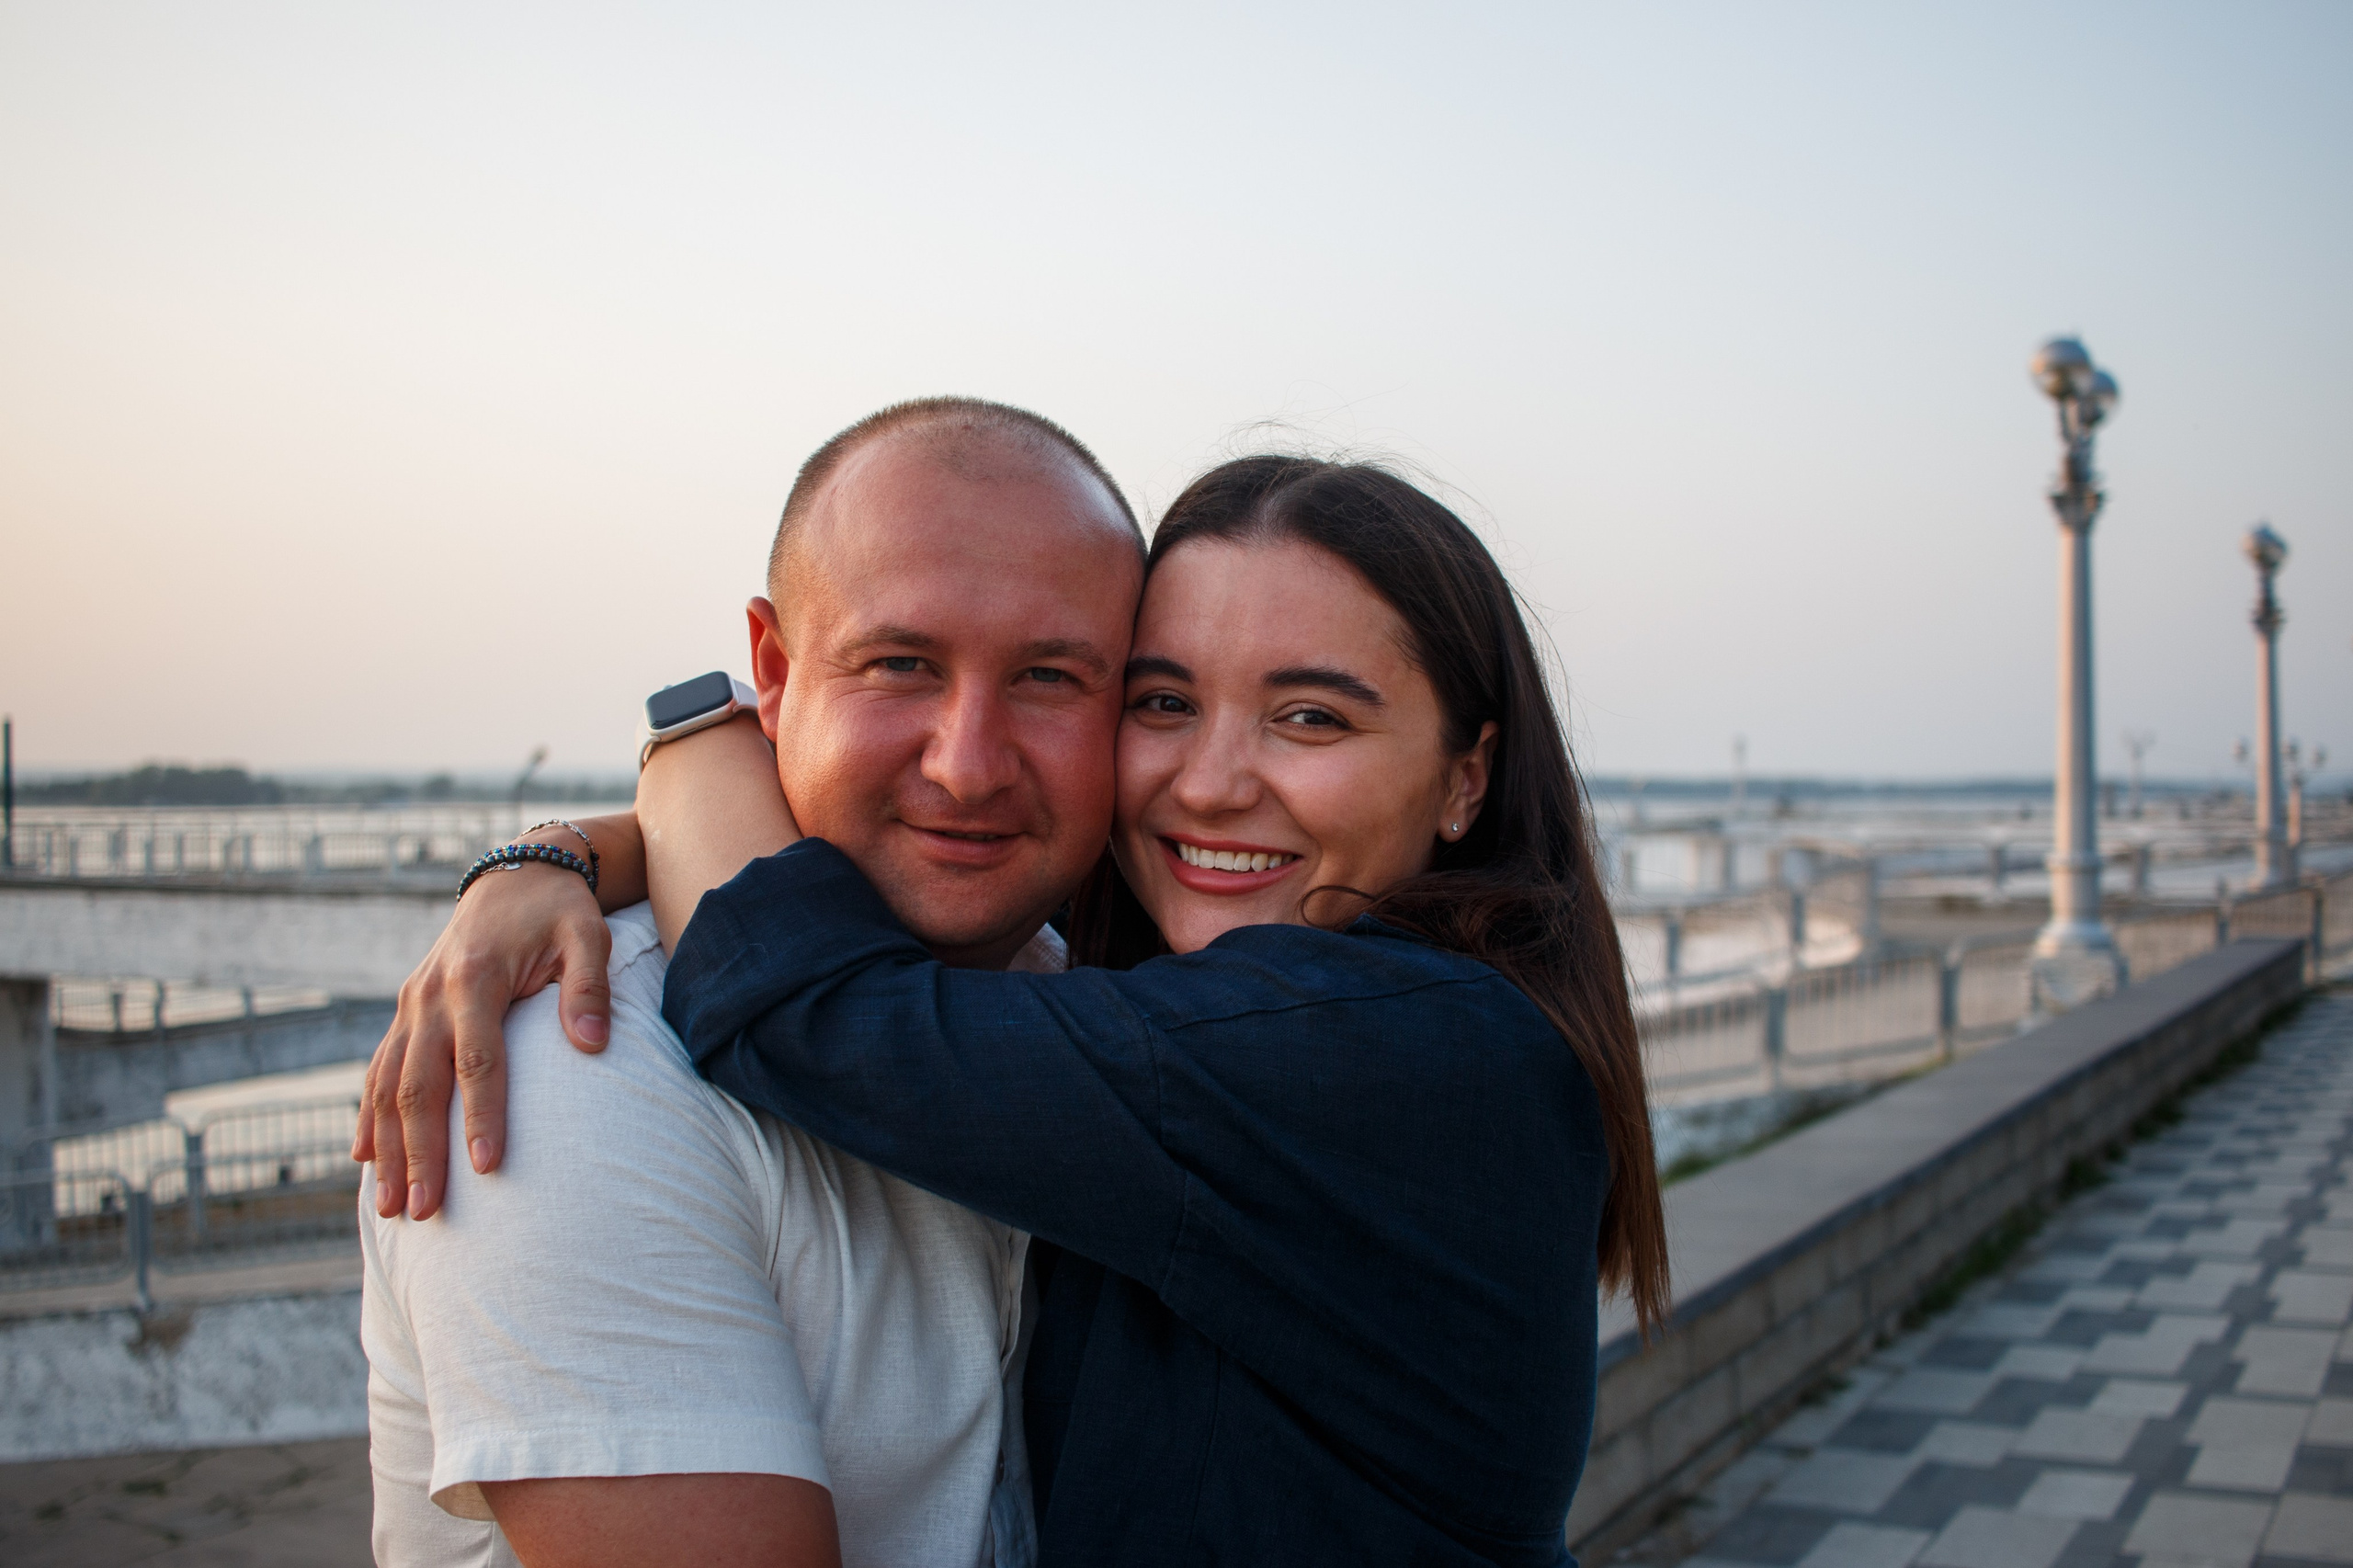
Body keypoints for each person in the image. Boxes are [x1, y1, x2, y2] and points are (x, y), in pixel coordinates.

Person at [382, 453, 1670, 1564]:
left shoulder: (1398, 1052)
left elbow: (814, 1010)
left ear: (1466, 778)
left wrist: (698, 743)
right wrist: (563, 854)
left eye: (1310, 714)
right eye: (1165, 702)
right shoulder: (1157, 1016)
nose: (1213, 784)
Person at [354, 396, 1146, 1567]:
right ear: (771, 671)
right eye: (901, 664)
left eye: (1048, 676)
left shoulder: (1087, 995)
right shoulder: (571, 1068)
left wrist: (584, 837)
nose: (969, 764)